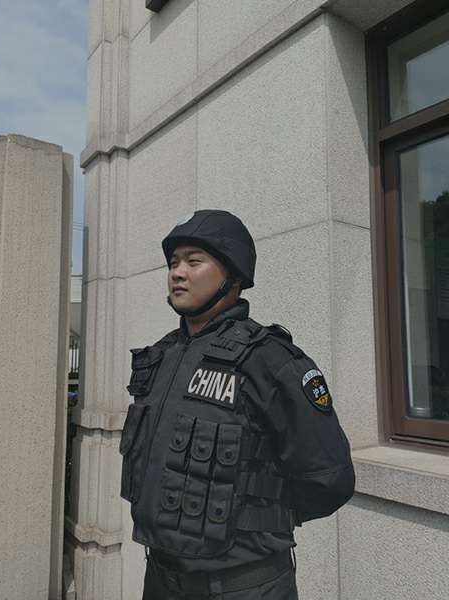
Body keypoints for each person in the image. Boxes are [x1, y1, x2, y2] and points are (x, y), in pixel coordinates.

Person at [119, 209, 355, 600]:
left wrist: (253, 515)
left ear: (234, 275)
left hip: (244, 585)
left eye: (194, 261)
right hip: (161, 580)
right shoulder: (161, 357)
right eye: (174, 263)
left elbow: (330, 479)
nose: (177, 273)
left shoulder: (271, 360)